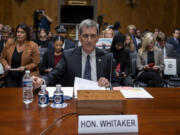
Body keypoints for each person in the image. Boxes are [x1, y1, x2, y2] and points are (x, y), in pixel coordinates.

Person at [32, 19, 117, 89]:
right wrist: (41, 81)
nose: (89, 40)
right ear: (79, 37)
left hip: (98, 100)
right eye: (85, 36)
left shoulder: (107, 57)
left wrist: (108, 84)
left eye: (93, 36)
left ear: (98, 38)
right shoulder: (68, 56)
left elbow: (115, 83)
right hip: (73, 101)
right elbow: (54, 75)